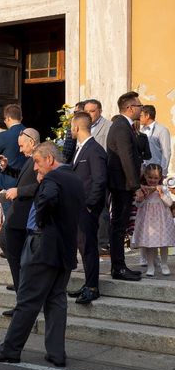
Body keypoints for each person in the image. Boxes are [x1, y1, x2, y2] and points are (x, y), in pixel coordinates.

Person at [0, 142, 85, 368]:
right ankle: (56, 353)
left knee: (27, 300)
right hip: (65, 248)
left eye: (37, 162)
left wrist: (41, 220)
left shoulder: (51, 179)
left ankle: (10, 349)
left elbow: (47, 200)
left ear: (49, 159)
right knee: (56, 300)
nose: (35, 168)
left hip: (42, 245)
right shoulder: (75, 178)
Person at [0, 127, 40, 317]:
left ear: (32, 141)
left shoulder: (40, 158)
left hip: (22, 217)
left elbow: (40, 184)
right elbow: (25, 178)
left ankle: (22, 302)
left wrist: (18, 192)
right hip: (17, 216)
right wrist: (8, 169)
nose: (21, 150)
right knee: (4, 242)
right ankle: (22, 292)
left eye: (22, 146)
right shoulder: (30, 160)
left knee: (15, 260)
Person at [66, 112, 107, 304]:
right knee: (83, 247)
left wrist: (90, 205)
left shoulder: (94, 150)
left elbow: (99, 181)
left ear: (76, 128)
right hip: (78, 208)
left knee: (89, 247)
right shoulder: (80, 148)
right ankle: (87, 283)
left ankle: (92, 287)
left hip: (88, 209)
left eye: (70, 127)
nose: (69, 131)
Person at [107, 92, 145, 281]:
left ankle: (119, 266)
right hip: (122, 186)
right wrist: (135, 186)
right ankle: (118, 268)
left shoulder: (124, 126)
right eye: (139, 105)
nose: (141, 108)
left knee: (120, 227)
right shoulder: (121, 127)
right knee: (119, 227)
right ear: (130, 108)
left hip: (123, 184)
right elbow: (127, 158)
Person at [132, 164, 174, 277]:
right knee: (150, 244)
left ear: (160, 178)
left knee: (164, 244)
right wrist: (140, 198)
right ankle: (150, 266)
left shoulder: (163, 189)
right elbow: (138, 205)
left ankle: (164, 264)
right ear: (145, 176)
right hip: (148, 221)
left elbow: (169, 203)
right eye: (150, 177)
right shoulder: (142, 189)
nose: (153, 180)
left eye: (155, 178)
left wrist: (161, 194)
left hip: (162, 220)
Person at [84, 98, 113, 255]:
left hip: (101, 172)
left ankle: (103, 242)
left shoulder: (108, 127)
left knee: (101, 208)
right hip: (86, 174)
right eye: (86, 111)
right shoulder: (84, 126)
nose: (89, 114)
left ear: (100, 111)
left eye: (92, 111)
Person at [0, 104, 27, 215]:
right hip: (27, 180)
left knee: (10, 218)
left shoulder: (3, 136)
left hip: (8, 181)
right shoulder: (29, 132)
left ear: (8, 118)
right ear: (21, 118)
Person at [140, 105, 171, 174]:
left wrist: (162, 172)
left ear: (147, 116)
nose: (139, 118)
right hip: (142, 172)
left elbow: (166, 152)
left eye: (141, 116)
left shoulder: (162, 130)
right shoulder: (141, 130)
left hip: (156, 172)